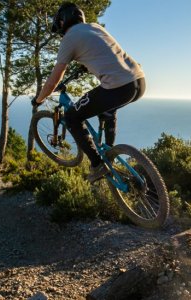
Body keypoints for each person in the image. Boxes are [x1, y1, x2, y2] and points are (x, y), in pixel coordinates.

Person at [32, 2, 146, 183]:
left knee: (71, 116)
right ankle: (110, 152)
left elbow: (54, 79)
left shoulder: (69, 38)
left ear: (63, 22)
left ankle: (97, 164)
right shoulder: (94, 27)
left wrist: (39, 99)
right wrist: (84, 68)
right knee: (107, 109)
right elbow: (103, 52)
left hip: (117, 87)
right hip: (138, 81)